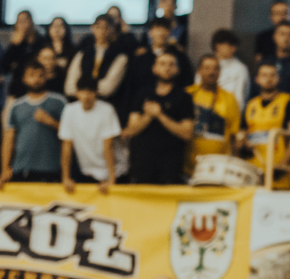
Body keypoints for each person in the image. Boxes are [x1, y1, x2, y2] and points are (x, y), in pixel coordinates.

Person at [120, 52, 195, 184]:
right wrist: (148, 116)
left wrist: (160, 115)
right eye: (162, 64)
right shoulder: (142, 94)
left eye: (171, 65)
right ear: (154, 68)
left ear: (177, 70)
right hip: (142, 162)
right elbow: (131, 130)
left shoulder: (184, 98)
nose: (167, 68)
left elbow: (187, 133)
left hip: (170, 164)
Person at [2, 60, 66, 186]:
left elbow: (70, 135)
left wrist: (51, 122)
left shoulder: (59, 102)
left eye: (40, 75)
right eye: (32, 75)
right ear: (24, 79)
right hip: (21, 169)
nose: (36, 79)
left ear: (46, 77)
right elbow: (9, 139)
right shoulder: (16, 106)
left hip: (50, 169)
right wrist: (5, 168)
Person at [241, 61, 290, 180]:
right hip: (252, 170)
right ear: (257, 79)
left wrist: (284, 164)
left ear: (278, 78)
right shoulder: (251, 105)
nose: (268, 79)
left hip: (278, 171)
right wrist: (243, 143)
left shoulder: (288, 102)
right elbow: (242, 134)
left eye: (272, 75)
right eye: (264, 75)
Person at [59, 75, 119, 193]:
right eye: (83, 91)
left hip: (114, 171)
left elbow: (108, 146)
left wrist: (111, 179)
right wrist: (65, 178)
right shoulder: (69, 110)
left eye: (90, 92)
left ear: (96, 93)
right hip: (87, 172)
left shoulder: (107, 110)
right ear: (77, 93)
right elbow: (66, 146)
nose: (86, 96)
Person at [188, 54, 242, 170]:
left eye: (216, 68)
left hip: (219, 167)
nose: (211, 72)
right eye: (207, 68)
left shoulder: (230, 99)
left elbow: (234, 135)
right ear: (199, 70)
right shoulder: (188, 94)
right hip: (189, 166)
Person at [209, 29, 251, 105]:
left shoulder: (240, 69)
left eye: (235, 46)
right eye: (230, 45)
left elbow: (240, 97)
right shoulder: (206, 66)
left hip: (230, 110)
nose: (234, 49)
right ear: (218, 45)